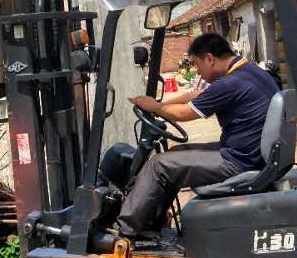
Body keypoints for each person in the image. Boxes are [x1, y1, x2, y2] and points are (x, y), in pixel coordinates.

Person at [118, 32, 280, 239]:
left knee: (159, 165)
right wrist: (162, 104)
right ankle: (151, 222)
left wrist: (156, 107)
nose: (197, 71)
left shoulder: (229, 84)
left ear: (210, 59)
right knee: (175, 155)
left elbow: (185, 114)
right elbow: (200, 95)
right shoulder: (248, 72)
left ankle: (126, 231)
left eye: (196, 64)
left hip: (239, 161)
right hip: (250, 154)